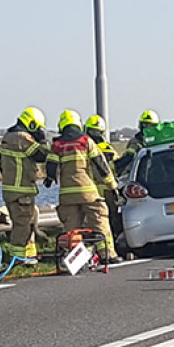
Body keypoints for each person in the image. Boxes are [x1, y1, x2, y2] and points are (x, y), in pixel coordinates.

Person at [46, 110, 120, 263]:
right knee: (99, 221)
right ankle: (108, 255)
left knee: (71, 229)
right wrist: (112, 185)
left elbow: (51, 166)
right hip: (88, 192)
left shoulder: (57, 144)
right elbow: (101, 164)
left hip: (67, 195)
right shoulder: (86, 141)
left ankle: (76, 260)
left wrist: (49, 178)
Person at [0, 107, 49, 263]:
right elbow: (42, 155)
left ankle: (29, 254)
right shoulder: (22, 138)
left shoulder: (8, 137)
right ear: (32, 124)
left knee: (28, 221)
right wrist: (42, 140)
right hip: (22, 191)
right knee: (23, 225)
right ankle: (18, 257)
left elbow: (0, 163)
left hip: (10, 189)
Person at [84, 114, 122, 239]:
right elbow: (116, 167)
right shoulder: (108, 148)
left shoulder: (86, 148)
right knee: (111, 219)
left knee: (95, 222)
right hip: (108, 190)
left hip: (92, 192)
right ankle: (113, 245)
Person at [114, 109, 160, 176]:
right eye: (145, 124)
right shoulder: (136, 142)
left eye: (150, 125)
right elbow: (128, 157)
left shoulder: (159, 141)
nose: (147, 128)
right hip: (142, 175)